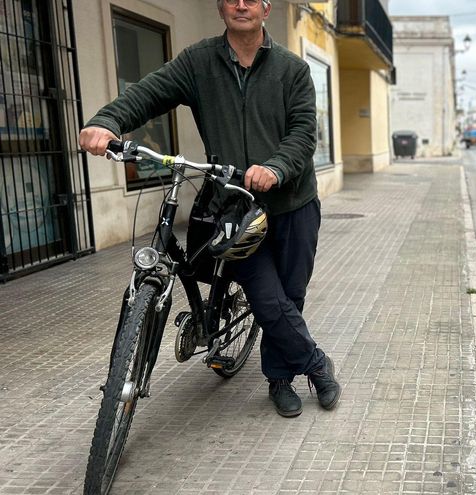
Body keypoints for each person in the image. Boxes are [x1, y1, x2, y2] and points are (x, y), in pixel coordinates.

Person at [78, 0, 340, 418]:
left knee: (291, 295)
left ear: (265, 8)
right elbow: (149, 92)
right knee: (268, 299)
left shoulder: (293, 69)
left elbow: (304, 132)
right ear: (220, 8)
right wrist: (108, 121)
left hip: (292, 204)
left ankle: (278, 378)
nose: (241, 4)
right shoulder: (198, 62)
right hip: (236, 207)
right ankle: (316, 364)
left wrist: (275, 167)